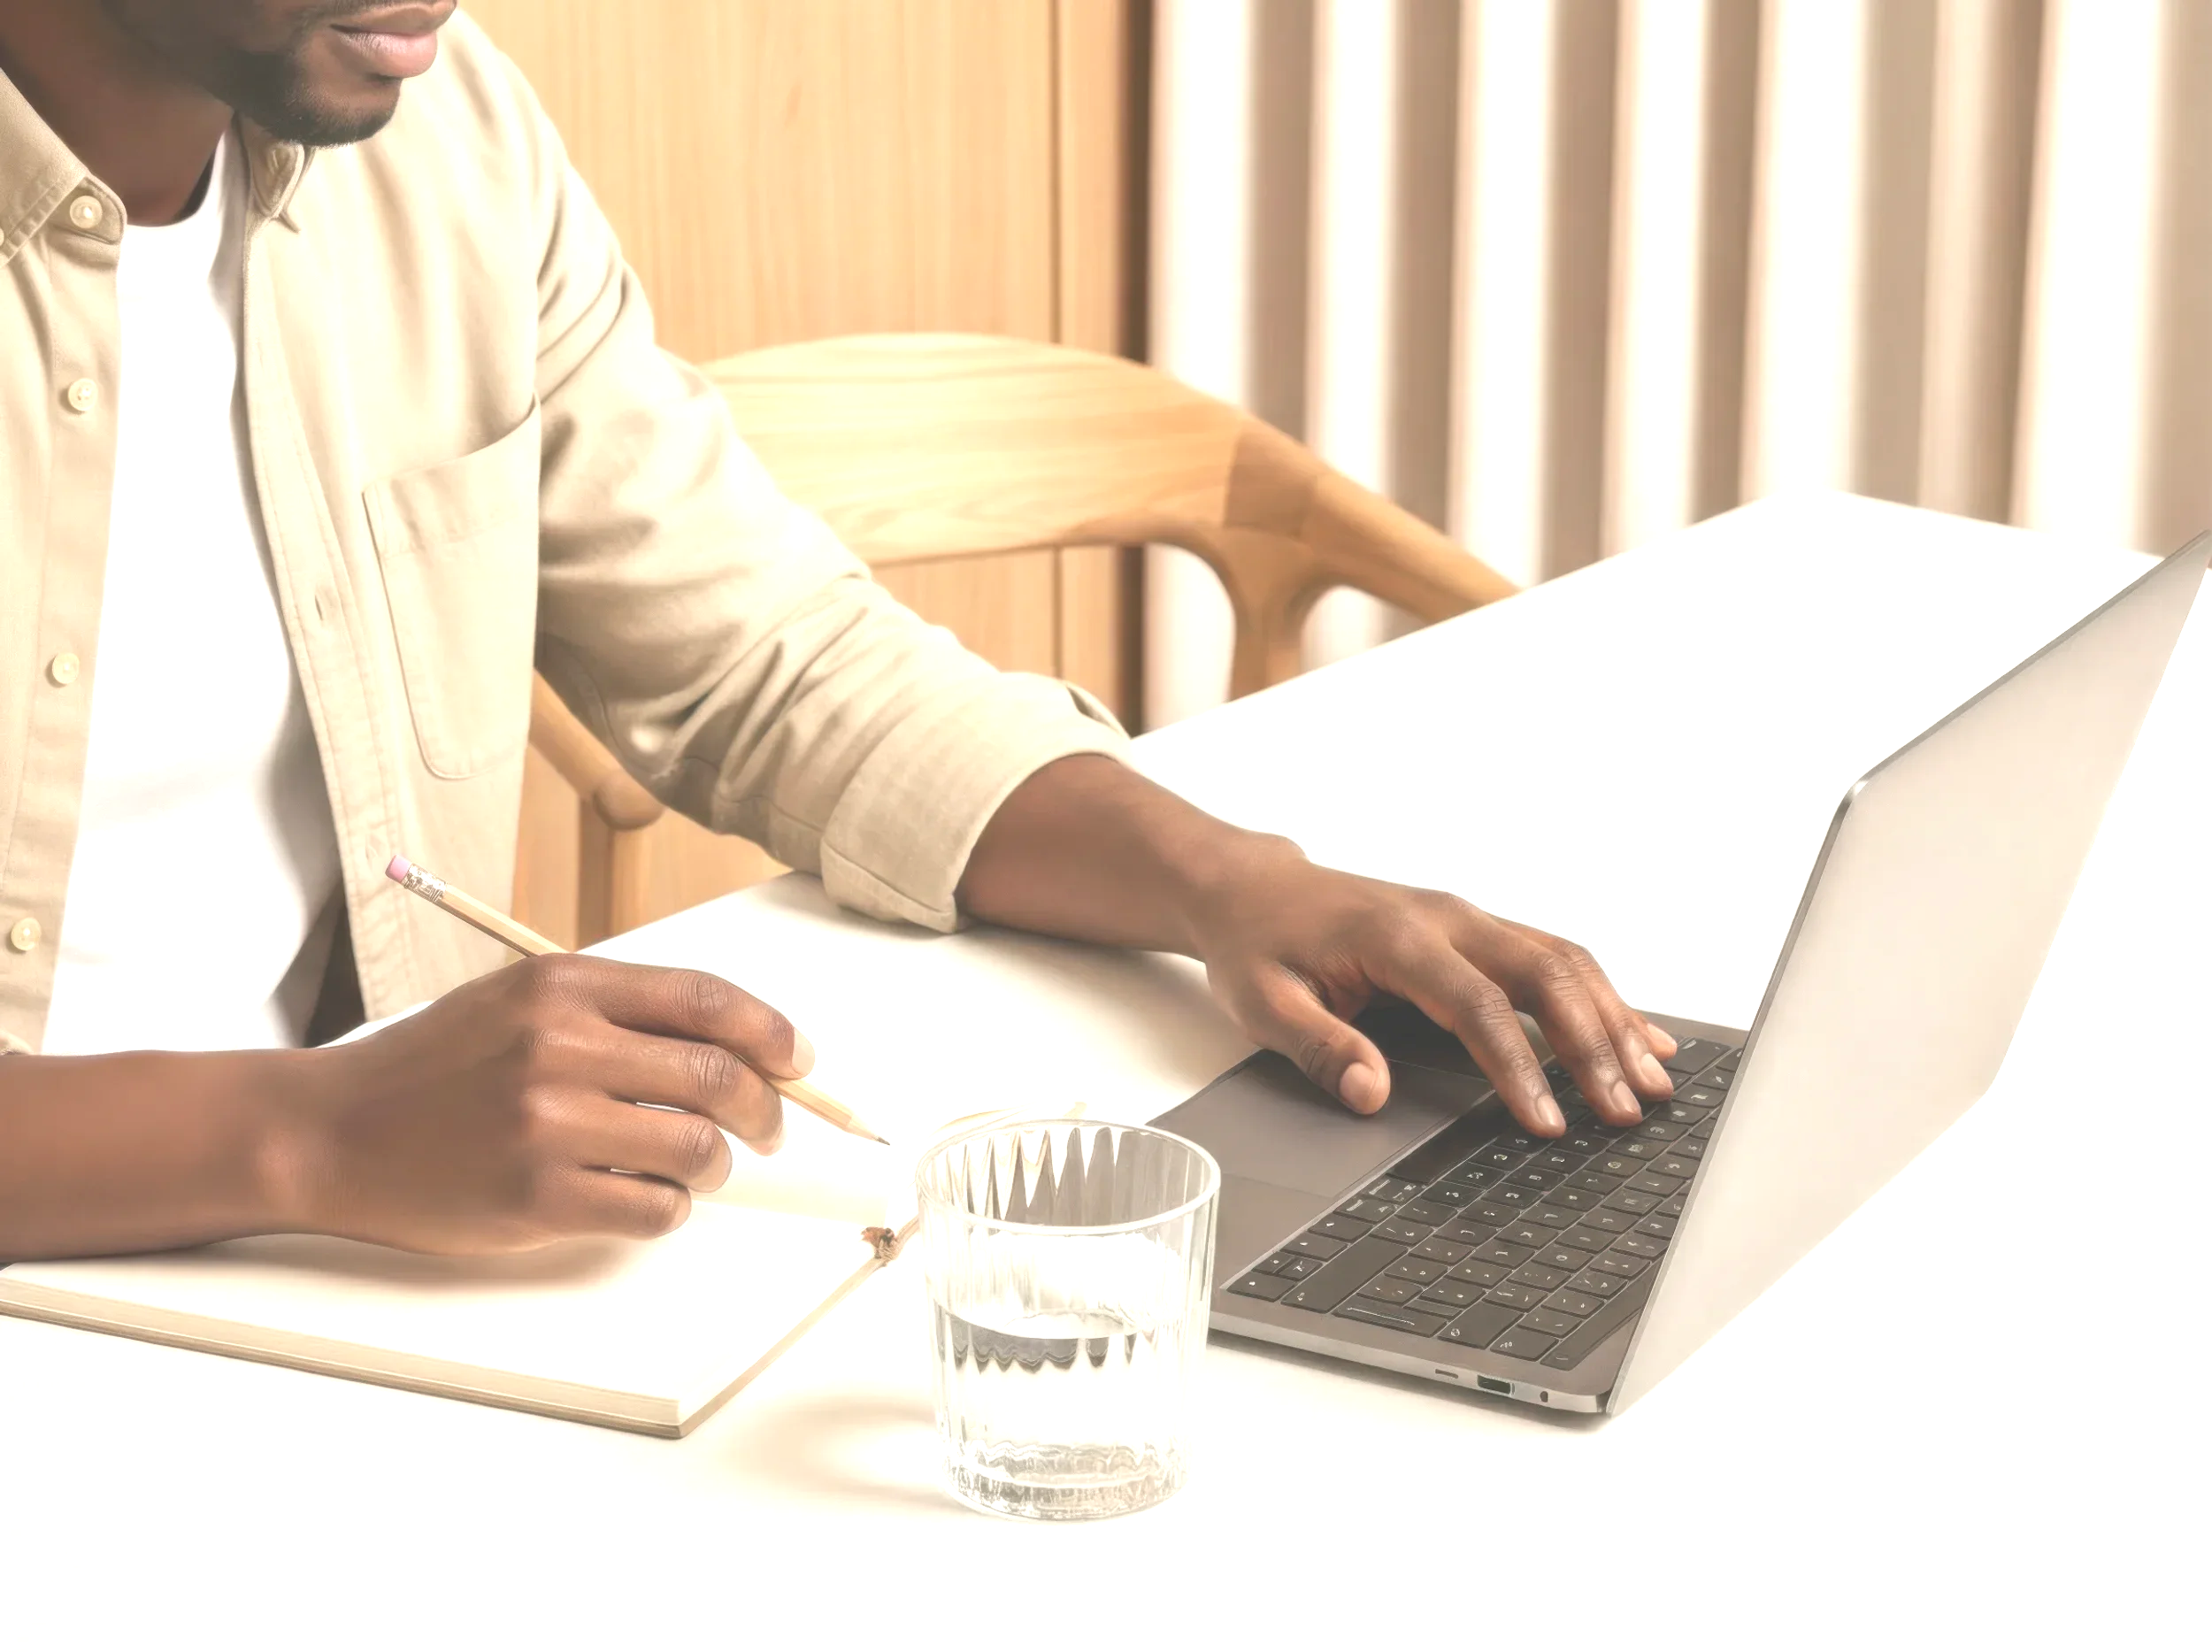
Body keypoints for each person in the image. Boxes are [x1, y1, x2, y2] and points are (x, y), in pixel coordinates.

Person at [0, 0, 1676, 1262]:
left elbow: (764, 658)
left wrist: (1232, 882)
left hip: (345, 1286)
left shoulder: (449, 148)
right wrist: (304, 1135)